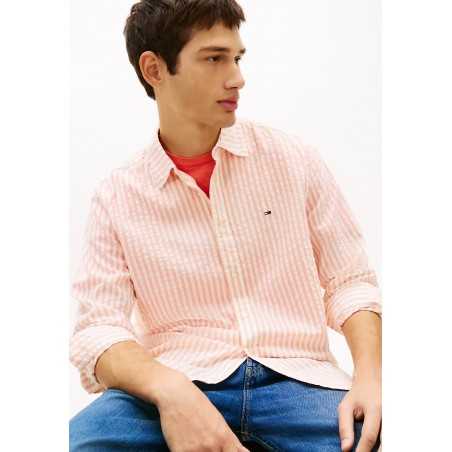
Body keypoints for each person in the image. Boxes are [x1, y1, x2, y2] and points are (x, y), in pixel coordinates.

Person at [69, 1, 382, 451]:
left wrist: (370, 378)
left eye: (237, 58)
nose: (237, 78)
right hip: (178, 380)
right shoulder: (117, 196)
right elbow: (98, 331)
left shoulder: (292, 160)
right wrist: (170, 389)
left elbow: (350, 281)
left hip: (298, 379)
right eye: (214, 58)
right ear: (154, 69)